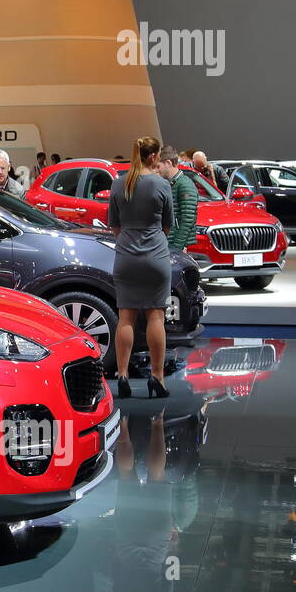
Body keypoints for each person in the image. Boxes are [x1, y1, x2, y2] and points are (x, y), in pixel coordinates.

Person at [108, 136, 173, 400]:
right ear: (155, 156)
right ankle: (156, 378)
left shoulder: (118, 184)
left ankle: (122, 375)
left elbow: (114, 226)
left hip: (126, 256)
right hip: (155, 255)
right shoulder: (162, 184)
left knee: (126, 318)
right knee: (156, 316)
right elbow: (167, 225)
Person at [158, 145, 197, 252]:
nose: (157, 170)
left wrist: (177, 247)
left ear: (168, 163)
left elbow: (187, 219)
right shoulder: (172, 184)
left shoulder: (184, 184)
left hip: (177, 245)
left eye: (158, 166)